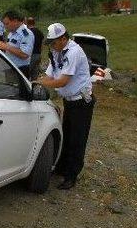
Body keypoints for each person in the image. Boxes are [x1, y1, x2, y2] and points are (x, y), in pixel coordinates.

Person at [38, 23, 95, 190]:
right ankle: (62, 168)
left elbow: (63, 81)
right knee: (67, 135)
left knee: (77, 139)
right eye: (50, 43)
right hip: (69, 101)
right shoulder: (57, 52)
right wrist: (39, 81)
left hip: (81, 102)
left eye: (54, 42)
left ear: (64, 38)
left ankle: (71, 176)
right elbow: (49, 74)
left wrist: (40, 82)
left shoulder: (74, 52)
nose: (52, 46)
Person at [0, 11, 34, 77]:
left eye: (7, 24)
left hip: (20, 69)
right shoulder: (12, 33)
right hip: (10, 67)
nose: (5, 26)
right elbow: (11, 48)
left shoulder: (26, 34)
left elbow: (25, 55)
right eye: (4, 24)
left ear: (15, 21)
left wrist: (6, 47)